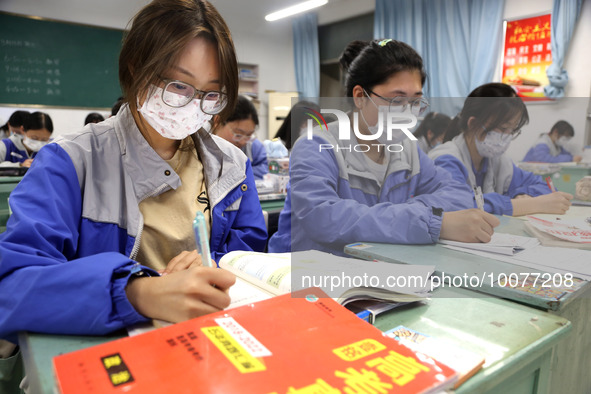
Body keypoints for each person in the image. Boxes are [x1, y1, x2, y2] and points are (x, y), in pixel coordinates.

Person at [0, 0, 267, 344]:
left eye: (211, 93)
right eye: (178, 86)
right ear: (135, 67)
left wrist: (215, 264)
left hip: (210, 340)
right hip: (110, 349)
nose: (192, 105)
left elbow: (249, 258)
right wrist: (137, 291)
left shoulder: (230, 164)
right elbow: (12, 286)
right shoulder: (71, 160)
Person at [268, 39, 499, 254]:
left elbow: (459, 193)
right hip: (308, 278)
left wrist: (411, 212)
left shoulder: (407, 149)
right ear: (360, 97)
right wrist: (430, 221)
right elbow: (325, 219)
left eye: (415, 102)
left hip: (377, 273)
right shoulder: (316, 145)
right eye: (397, 101)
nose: (408, 113)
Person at [429, 83, 572, 216]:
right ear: (473, 124)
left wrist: (520, 195)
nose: (507, 136)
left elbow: (544, 186)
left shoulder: (498, 162)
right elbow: (457, 207)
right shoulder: (446, 159)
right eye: (503, 128)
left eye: (512, 130)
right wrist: (526, 205)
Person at [214, 95, 268, 180]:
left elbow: (265, 169)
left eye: (249, 135)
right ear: (217, 122)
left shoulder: (253, 146)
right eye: (238, 134)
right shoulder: (202, 148)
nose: (243, 142)